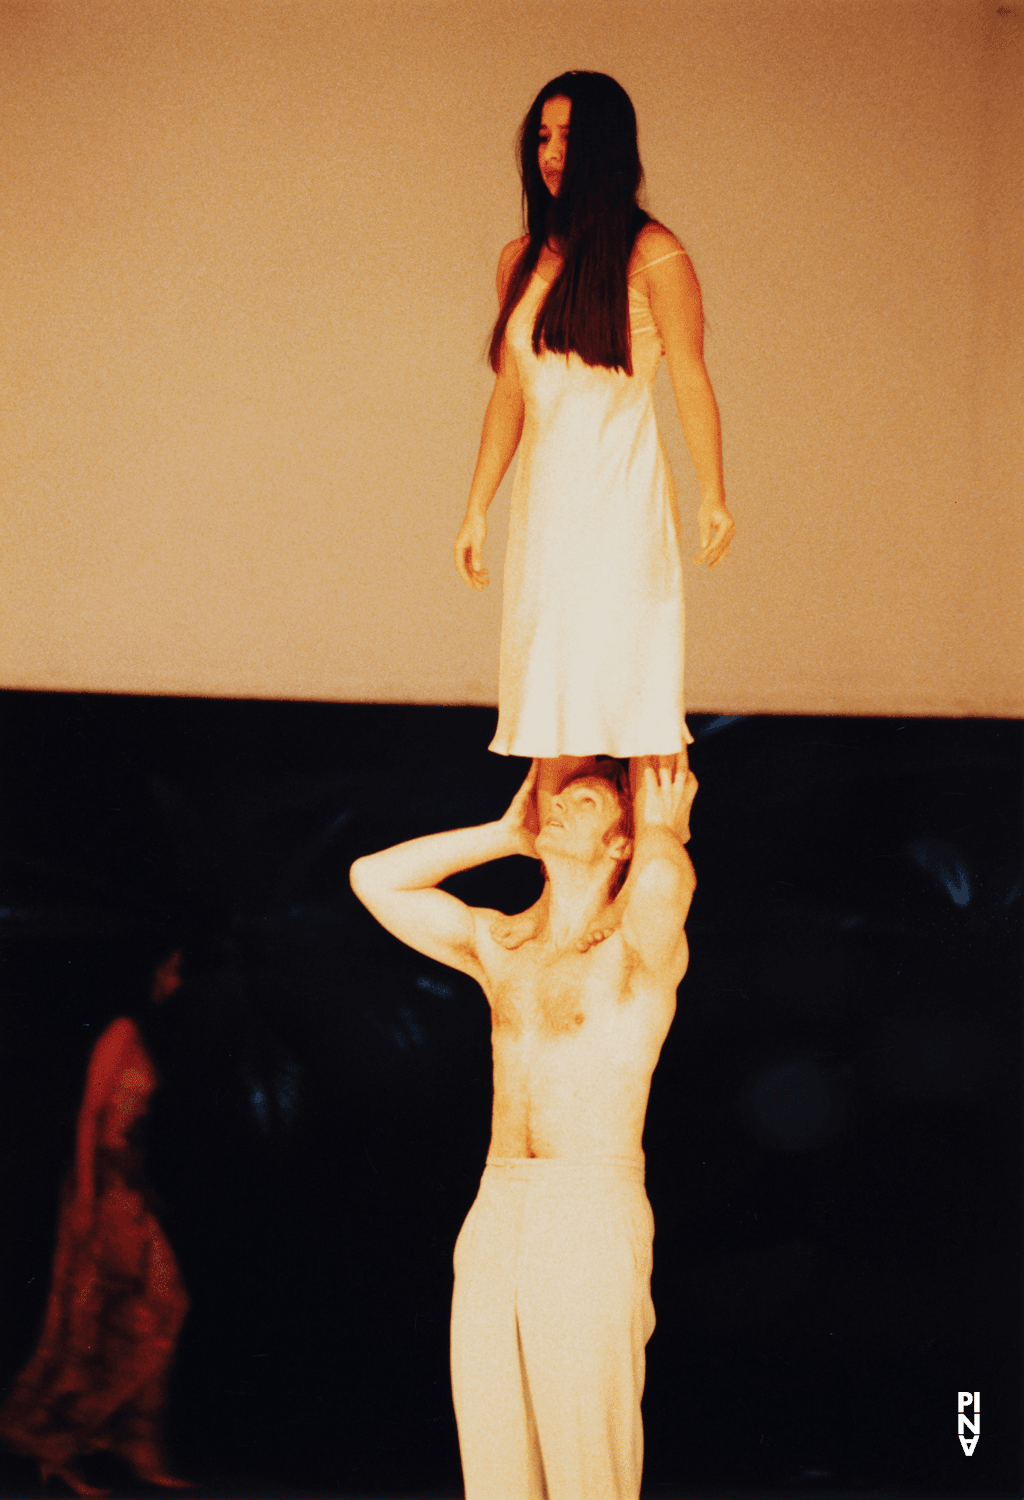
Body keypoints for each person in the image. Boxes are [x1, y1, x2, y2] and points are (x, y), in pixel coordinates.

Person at [350, 756, 697, 1500]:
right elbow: (374, 879)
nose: (560, 807)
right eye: (557, 797)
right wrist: (506, 832)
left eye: (586, 800)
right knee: (496, 1465)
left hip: (588, 1205)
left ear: (620, 844)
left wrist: (664, 825)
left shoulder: (636, 952)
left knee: (586, 1465)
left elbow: (667, 885)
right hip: (499, 1205)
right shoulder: (504, 947)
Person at [454, 71, 735, 823]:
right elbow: (511, 392)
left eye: (569, 137)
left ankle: (645, 892)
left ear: (606, 147)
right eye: (542, 137)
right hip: (547, 517)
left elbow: (692, 382)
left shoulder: (653, 254)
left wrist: (713, 492)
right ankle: (564, 910)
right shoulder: (519, 259)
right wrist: (477, 507)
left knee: (631, 693)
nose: (550, 153)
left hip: (621, 508)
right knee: (556, 703)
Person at [0, 954, 191, 1497]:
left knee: (158, 1309)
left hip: (129, 1188)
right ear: (152, 973)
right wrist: (86, 1196)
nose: (178, 981)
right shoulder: (122, 1030)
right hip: (103, 1187)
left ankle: (128, 1440)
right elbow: (91, 1114)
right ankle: (54, 1445)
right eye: (173, 969)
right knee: (91, 1320)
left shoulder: (153, 1035)